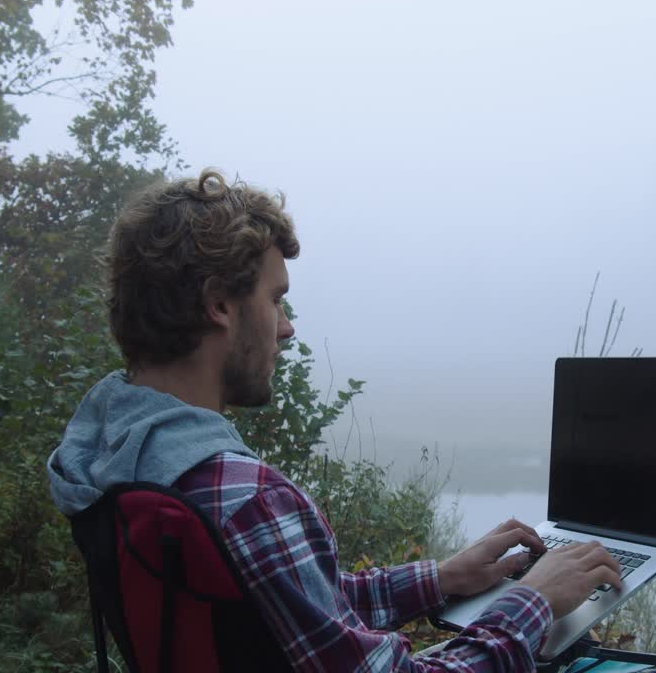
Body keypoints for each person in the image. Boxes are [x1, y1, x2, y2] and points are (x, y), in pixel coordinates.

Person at [46, 169, 623, 672]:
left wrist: (440, 580)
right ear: (219, 304)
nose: (288, 328)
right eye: (275, 300)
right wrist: (534, 603)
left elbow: (280, 609)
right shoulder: (246, 501)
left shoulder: (114, 460)